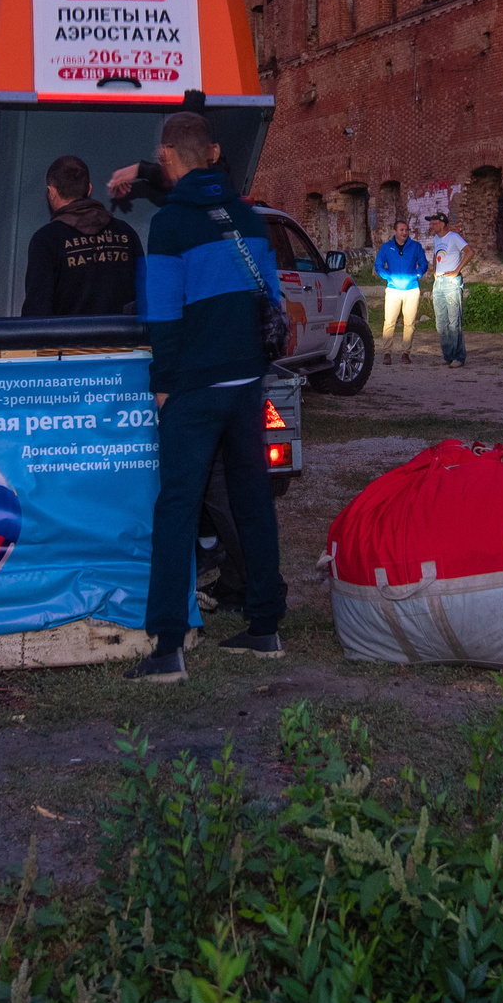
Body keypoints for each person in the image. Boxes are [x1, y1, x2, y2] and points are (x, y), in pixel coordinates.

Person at [127, 110, 299, 683]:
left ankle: (167, 647)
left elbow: (162, 316)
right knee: (253, 501)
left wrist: (163, 385)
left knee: (176, 507)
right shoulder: (248, 217)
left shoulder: (170, 226)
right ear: (216, 153)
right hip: (247, 382)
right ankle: (265, 626)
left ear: (170, 159)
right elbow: (268, 299)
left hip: (196, 388)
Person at [23, 154, 142, 316]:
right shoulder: (126, 235)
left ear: (51, 192)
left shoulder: (45, 241)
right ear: (89, 189)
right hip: (125, 340)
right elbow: (146, 299)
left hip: (68, 341)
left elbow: (35, 313)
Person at [373, 217, 430, 364]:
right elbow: (379, 265)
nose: (405, 233)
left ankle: (406, 352)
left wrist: (418, 274)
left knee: (409, 323)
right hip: (393, 289)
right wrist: (387, 276)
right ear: (395, 231)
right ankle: (387, 352)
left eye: (406, 230)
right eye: (402, 230)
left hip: (411, 289)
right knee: (389, 322)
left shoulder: (415, 246)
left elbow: (423, 263)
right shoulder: (386, 247)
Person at [426, 209, 469, 368]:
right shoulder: (437, 238)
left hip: (452, 282)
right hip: (440, 282)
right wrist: (435, 272)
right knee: (441, 322)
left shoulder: (454, 237)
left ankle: (458, 356)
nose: (432, 225)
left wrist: (457, 270)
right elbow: (436, 255)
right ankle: (447, 355)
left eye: (434, 223)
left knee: (453, 322)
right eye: (431, 223)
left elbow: (469, 252)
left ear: (443, 223)